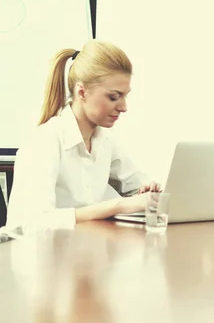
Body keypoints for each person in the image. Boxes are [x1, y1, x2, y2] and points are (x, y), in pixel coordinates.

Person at [6, 40, 159, 232]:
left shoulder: (105, 139)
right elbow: (29, 224)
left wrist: (145, 193)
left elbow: (135, 184)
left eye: (125, 96)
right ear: (81, 92)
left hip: (86, 252)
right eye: (114, 97)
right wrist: (117, 206)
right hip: (46, 257)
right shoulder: (45, 141)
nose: (123, 107)